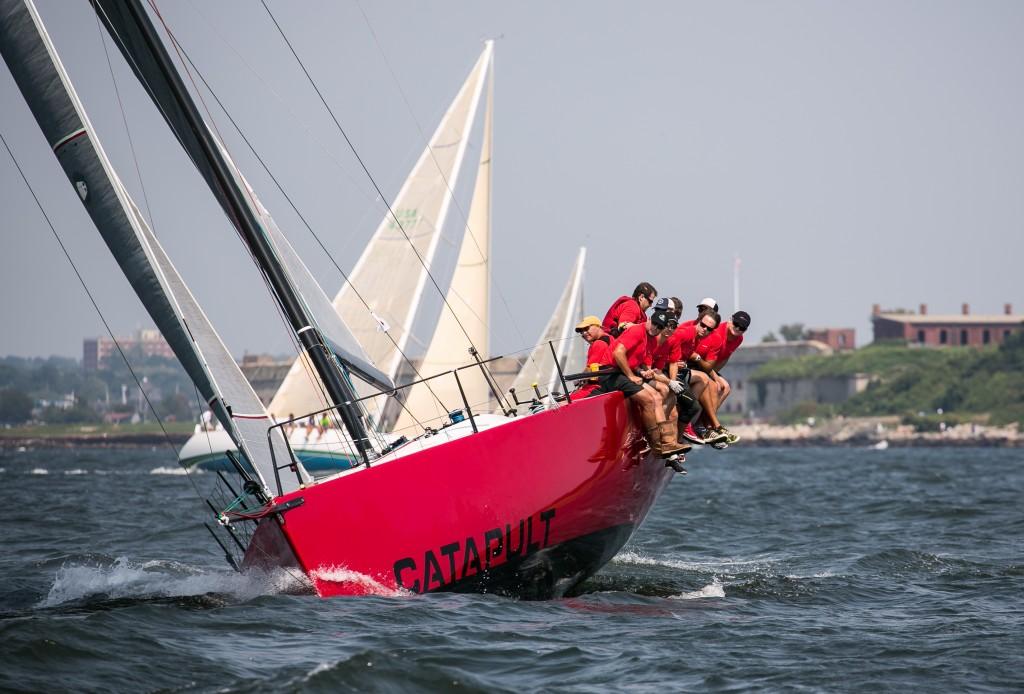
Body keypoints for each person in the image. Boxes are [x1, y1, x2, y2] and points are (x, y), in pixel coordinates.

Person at [602, 311, 689, 469]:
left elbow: (639, 363)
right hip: (611, 373)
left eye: (659, 327)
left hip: (625, 372)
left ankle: (667, 442)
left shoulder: (652, 341)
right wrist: (631, 375)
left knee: (656, 396)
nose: (655, 328)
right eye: (654, 323)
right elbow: (618, 353)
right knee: (649, 399)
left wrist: (642, 372)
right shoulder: (637, 331)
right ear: (649, 319)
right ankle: (657, 446)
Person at [690, 310, 751, 446]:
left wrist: (715, 374)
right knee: (717, 385)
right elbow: (706, 358)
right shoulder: (717, 332)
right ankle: (711, 426)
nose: (738, 329)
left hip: (710, 367)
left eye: (742, 328)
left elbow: (724, 358)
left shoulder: (738, 339)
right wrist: (713, 377)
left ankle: (705, 426)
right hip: (699, 362)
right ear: (730, 320)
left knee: (726, 388)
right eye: (736, 324)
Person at [573, 315, 613, 398]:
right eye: (581, 332)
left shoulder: (599, 343)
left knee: (564, 402)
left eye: (587, 328)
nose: (584, 333)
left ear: (598, 326)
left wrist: (579, 379)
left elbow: (590, 370)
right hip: (608, 383)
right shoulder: (610, 338)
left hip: (597, 387)